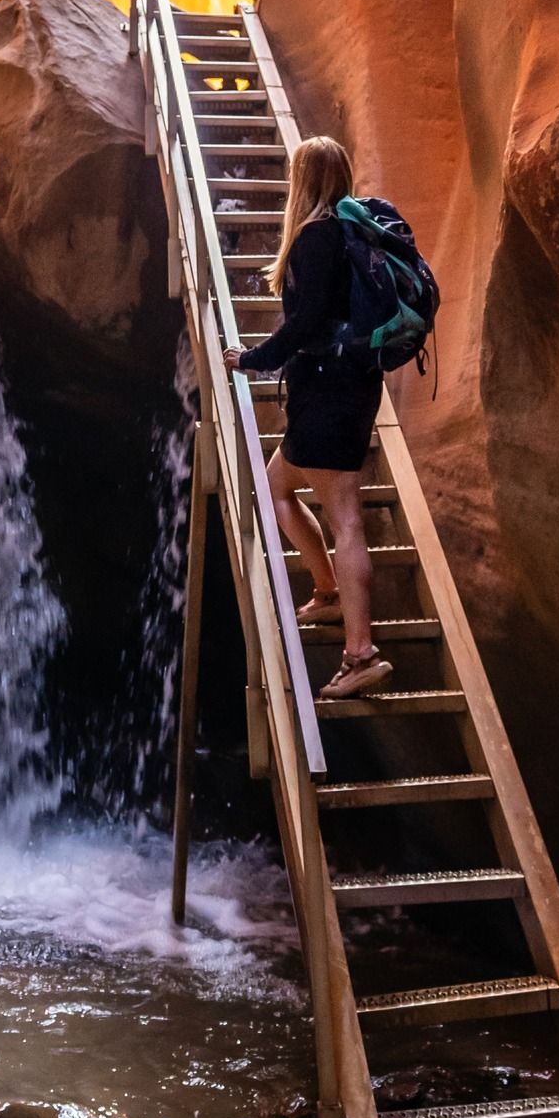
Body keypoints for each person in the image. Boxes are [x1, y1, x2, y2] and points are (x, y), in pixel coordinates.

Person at [223, 135, 391, 699]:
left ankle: (360, 653)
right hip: (355, 383)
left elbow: (305, 326)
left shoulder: (315, 239)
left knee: (344, 516)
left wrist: (250, 360)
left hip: (327, 387)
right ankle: (326, 590)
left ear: (303, 181)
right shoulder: (356, 232)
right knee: (276, 488)